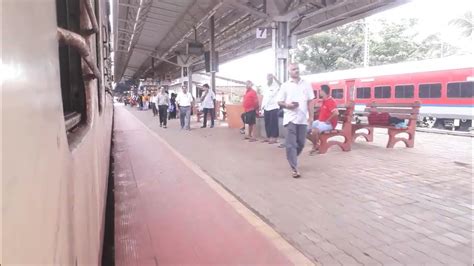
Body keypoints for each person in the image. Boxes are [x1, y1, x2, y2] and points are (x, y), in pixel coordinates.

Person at [277, 63, 315, 178]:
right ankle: (294, 167)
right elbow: (279, 102)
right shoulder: (285, 86)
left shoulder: (306, 84)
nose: (296, 71)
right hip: (290, 118)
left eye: (297, 69)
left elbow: (310, 101)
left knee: (301, 143)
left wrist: (311, 117)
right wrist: (288, 105)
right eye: (293, 69)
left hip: (302, 119)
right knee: (291, 144)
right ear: (289, 72)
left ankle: (291, 156)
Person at [307, 85, 338, 154]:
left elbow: (336, 113)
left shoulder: (331, 101)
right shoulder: (324, 101)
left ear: (324, 92)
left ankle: (315, 146)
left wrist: (328, 120)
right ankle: (316, 144)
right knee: (305, 129)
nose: (319, 92)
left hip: (329, 124)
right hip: (320, 122)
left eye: (320, 90)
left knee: (314, 131)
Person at [261, 73, 281, 144]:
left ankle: (274, 137)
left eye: (270, 77)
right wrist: (262, 107)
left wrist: (275, 78)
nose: (269, 78)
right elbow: (264, 97)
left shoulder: (276, 85)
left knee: (273, 123)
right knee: (267, 122)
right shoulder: (265, 86)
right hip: (266, 107)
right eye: (268, 77)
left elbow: (281, 85)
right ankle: (268, 136)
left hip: (274, 107)